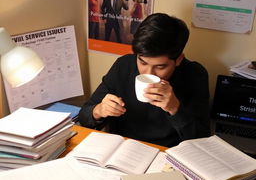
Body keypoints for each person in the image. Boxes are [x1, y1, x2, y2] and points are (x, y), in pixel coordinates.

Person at [79, 13, 211, 147]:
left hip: (167, 152)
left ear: (178, 60)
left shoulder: (195, 75)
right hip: (123, 147)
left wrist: (175, 108)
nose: (148, 73)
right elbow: (84, 116)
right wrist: (99, 110)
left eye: (160, 67)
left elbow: (201, 140)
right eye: (142, 62)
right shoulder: (123, 66)